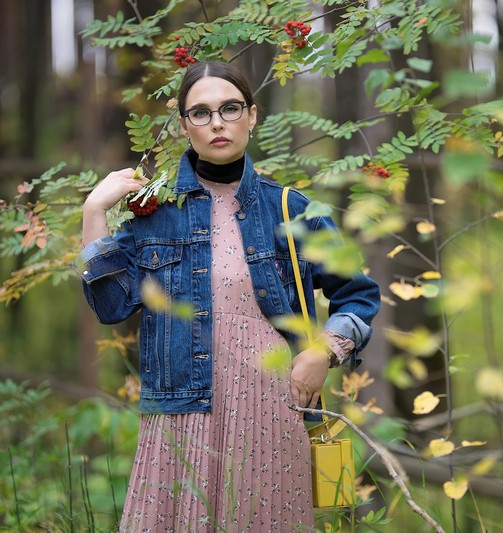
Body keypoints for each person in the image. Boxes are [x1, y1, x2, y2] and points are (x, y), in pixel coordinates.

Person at [76, 60, 380, 531]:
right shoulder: (154, 214)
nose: (217, 123)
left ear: (252, 116)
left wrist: (326, 349)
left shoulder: (292, 209)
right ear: (184, 126)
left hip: (273, 406)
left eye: (230, 108)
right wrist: (94, 211)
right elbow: (111, 307)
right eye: (200, 112)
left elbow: (358, 296)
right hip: (182, 410)